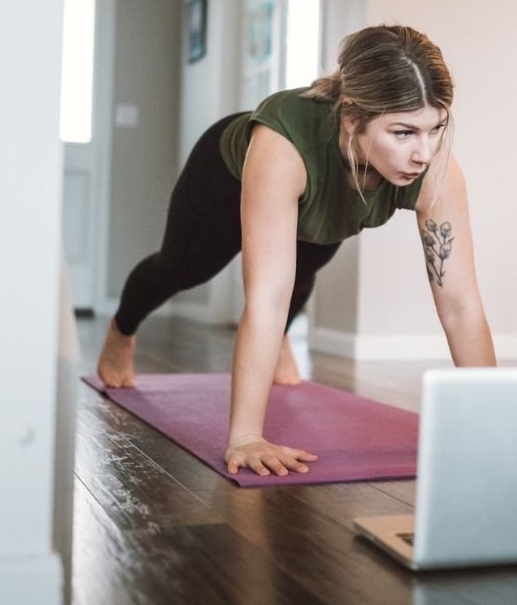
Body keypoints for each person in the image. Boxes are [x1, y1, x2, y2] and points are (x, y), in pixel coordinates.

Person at [97, 24, 495, 477]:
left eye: (436, 128)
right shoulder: (282, 145)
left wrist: (489, 420)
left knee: (307, 267)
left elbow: (461, 304)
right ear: (351, 119)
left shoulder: (436, 168)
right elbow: (265, 297)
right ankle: (122, 328)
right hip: (224, 177)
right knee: (183, 268)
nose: (424, 153)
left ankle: (282, 338)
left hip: (321, 192)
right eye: (403, 133)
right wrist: (246, 437)